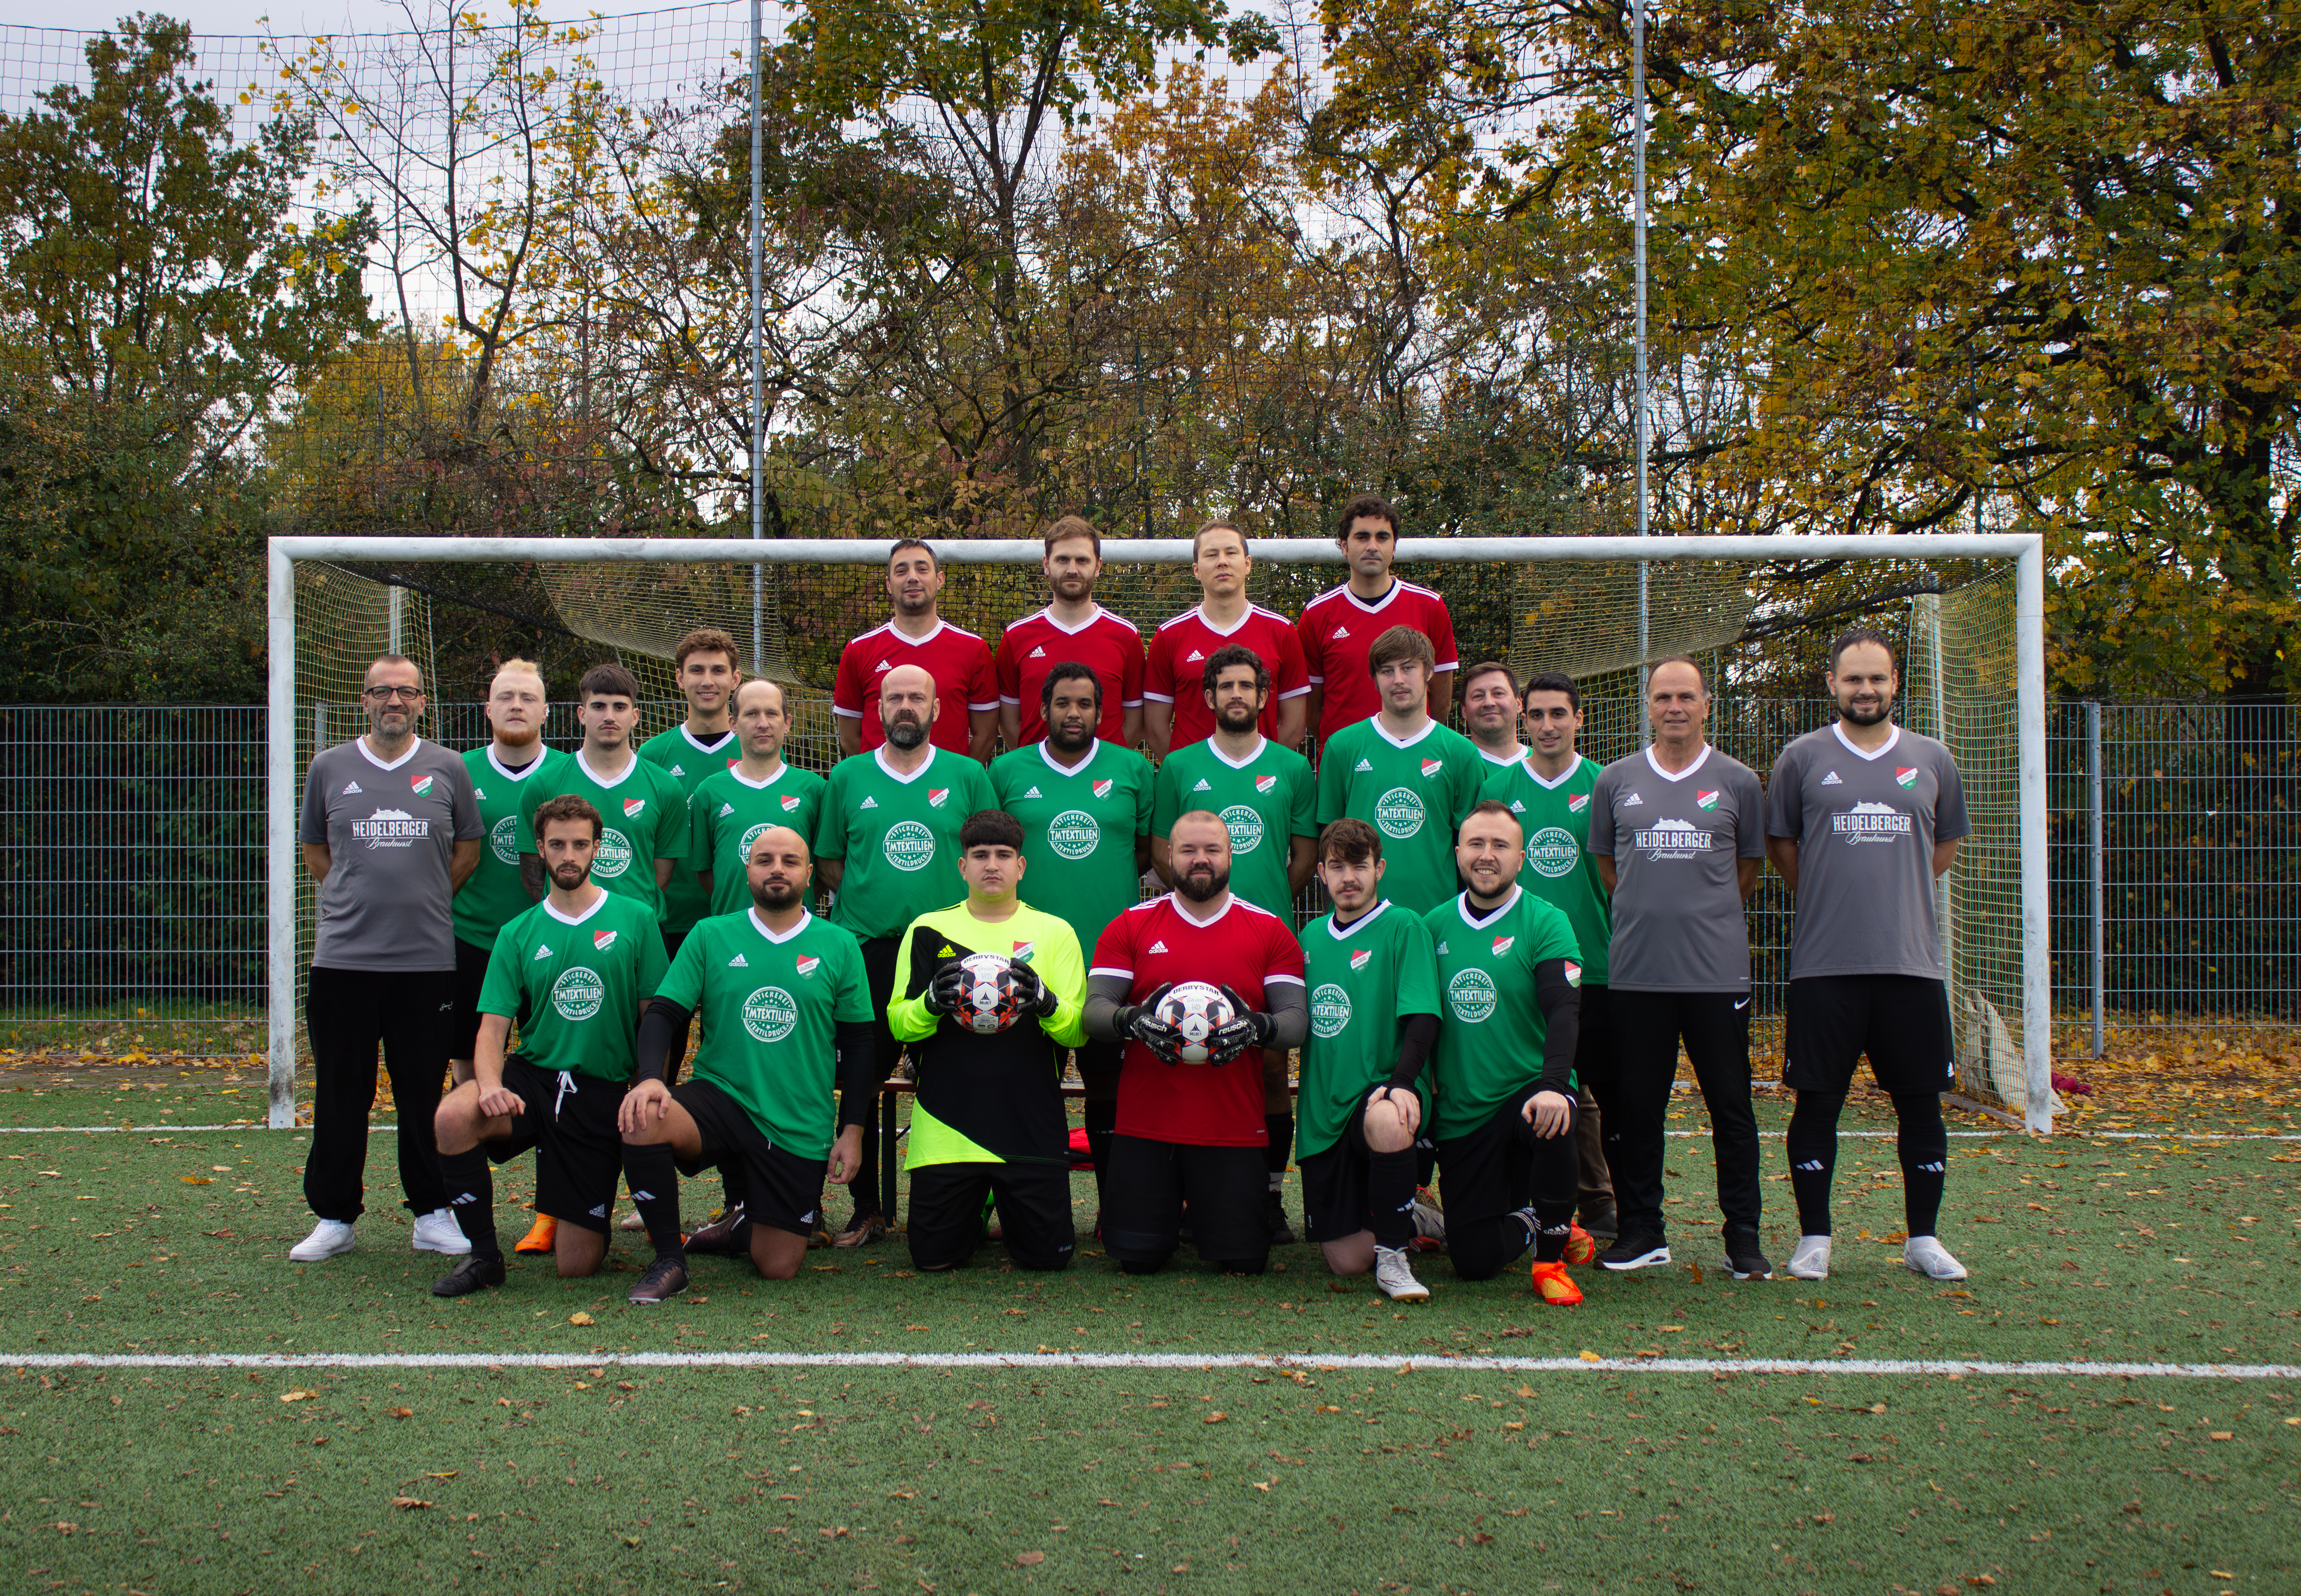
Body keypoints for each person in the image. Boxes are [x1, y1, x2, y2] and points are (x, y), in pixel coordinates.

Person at [1766, 628, 1972, 1283]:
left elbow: (1940, 849)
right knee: (1817, 1102)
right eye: (1853, 679)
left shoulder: (1932, 758)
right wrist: (1838, 892)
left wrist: (1893, 889)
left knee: (1921, 1104)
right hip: (1825, 965)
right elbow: (1785, 850)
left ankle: (1923, 1238)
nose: (1865, 690)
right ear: (1831, 684)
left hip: (1911, 964)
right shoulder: (1800, 758)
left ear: (1894, 683)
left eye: (1877, 678)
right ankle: (1814, 1239)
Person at [616, 826, 876, 1304]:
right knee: (643, 1119)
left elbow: (860, 1044)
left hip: (797, 1117)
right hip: (723, 1096)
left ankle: (741, 1222)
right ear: (747, 869)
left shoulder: (839, 944)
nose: (777, 868)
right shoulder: (711, 934)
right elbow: (663, 1014)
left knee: (777, 1266)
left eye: (790, 860)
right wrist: (651, 1079)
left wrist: (852, 1129)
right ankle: (670, 1260)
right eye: (765, 859)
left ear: (809, 874)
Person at [428, 795, 669, 1296]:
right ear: (539, 847)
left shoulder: (637, 918)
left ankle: (582, 1209)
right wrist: (490, 1084)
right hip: (533, 1081)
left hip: (599, 1090)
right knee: (452, 1115)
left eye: (580, 844)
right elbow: (492, 1029)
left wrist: (646, 1080)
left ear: (597, 848)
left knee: (576, 1265)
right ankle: (484, 1255)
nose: (568, 855)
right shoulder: (517, 932)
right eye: (557, 844)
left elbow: (655, 1018)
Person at [290, 653, 482, 1263]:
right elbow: (317, 851)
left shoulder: (448, 767)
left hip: (425, 965)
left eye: (406, 692)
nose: (393, 701)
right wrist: (358, 902)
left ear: (423, 701)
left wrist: (418, 901)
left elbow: (468, 851)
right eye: (382, 691)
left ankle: (431, 1210)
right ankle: (334, 1215)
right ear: (364, 700)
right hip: (343, 962)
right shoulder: (329, 767)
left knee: (422, 1092)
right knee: (341, 1091)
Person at [1587, 657, 1770, 1280]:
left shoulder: (1739, 781)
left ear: (1706, 704)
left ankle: (1742, 1236)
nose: (1674, 707)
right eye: (1662, 696)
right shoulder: (1615, 781)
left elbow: (1744, 871)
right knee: (1637, 1108)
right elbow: (1611, 869)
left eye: (1685, 697)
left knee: (1731, 1106)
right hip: (1637, 975)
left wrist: (1700, 916)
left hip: (1715, 977)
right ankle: (1643, 1230)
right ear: (1647, 703)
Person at [812, 663, 998, 1245]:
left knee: (964, 1076)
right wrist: (872, 906)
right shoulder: (846, 777)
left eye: (917, 696)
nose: (905, 706)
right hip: (869, 950)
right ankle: (866, 1206)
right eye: (894, 697)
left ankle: (967, 1204)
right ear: (879, 709)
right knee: (862, 1079)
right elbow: (830, 861)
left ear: (937, 708)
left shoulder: (968, 774)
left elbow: (990, 853)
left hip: (949, 951)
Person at [1083, 810, 1308, 1277]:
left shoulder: (1268, 929)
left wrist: (1256, 1027)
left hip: (1231, 1126)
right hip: (1145, 1126)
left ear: (1230, 854)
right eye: (1187, 850)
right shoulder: (1130, 924)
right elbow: (1095, 1011)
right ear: (1169, 856)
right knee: (1137, 1261)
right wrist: (1131, 1020)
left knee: (1244, 1261)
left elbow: (1295, 1021)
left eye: (1211, 849)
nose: (1199, 859)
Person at [1147, 644, 1316, 1238]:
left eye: (1248, 686)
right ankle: (1189, 1195)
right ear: (1209, 696)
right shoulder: (1177, 766)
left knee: (1269, 1069)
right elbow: (1160, 854)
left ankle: (1268, 1196)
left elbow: (1303, 856)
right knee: (1188, 1059)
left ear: (1264, 697)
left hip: (1264, 941)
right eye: (1227, 687)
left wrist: (1252, 907)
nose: (1237, 695)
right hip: (1188, 934)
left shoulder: (1293, 769)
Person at [887, 810, 1090, 1271]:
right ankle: (977, 1205)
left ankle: (1001, 1202)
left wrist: (1044, 1001)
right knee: (933, 1260)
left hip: (1029, 1125)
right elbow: (898, 1023)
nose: (991, 864)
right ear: (962, 867)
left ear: (1021, 866)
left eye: (1003, 855)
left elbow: (1077, 1029)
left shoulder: (1055, 932)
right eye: (979, 855)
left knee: (1046, 1261)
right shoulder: (926, 930)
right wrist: (929, 1003)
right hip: (947, 1128)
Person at [988, 662, 1155, 1217]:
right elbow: (996, 855)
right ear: (1042, 711)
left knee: (1111, 1089)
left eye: (1084, 704)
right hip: (1028, 958)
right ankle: (1029, 1213)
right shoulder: (1006, 771)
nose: (1073, 713)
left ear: (1101, 713)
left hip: (1111, 959)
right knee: (1027, 1090)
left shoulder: (1133, 768)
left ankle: (1117, 1213)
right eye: (1063, 703)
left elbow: (1141, 854)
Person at [678, 675, 829, 1254]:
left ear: (789, 723)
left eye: (772, 713)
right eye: (751, 714)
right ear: (734, 723)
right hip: (731, 960)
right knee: (726, 1073)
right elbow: (708, 874)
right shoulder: (712, 789)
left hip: (798, 958)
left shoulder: (813, 788)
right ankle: (740, 1203)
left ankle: (801, 1205)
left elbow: (825, 865)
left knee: (800, 1075)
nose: (762, 722)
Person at [1424, 801, 1592, 1305]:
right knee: (1473, 1263)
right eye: (1476, 843)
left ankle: (1550, 1259)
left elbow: (1563, 1010)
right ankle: (1535, 1215)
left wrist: (1553, 1085)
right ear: (1458, 853)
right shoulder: (1431, 926)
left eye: (1500, 845)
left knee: (1556, 1110)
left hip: (1526, 1091)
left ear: (1521, 857)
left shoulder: (1546, 920)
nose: (1486, 855)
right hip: (1462, 1112)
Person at [1482, 668, 1618, 1240]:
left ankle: (1611, 1207)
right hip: (1517, 966)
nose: (1545, 725)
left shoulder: (1604, 785)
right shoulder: (1496, 786)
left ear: (1578, 719)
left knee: (1599, 1094)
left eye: (1557, 713)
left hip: (1599, 964)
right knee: (1534, 1083)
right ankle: (1524, 1203)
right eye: (1534, 714)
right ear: (1520, 716)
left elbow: (1618, 878)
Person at [1295, 819, 1441, 1302]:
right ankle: (1412, 1214)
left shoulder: (1404, 925)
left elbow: (1423, 1018)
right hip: (1323, 1113)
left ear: (1379, 868)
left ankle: (1395, 1257)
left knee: (1387, 1118)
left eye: (1359, 865)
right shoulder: (1311, 936)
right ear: (1320, 872)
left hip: (1379, 1088)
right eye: (1337, 866)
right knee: (1347, 1260)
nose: (1349, 877)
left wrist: (1402, 1082)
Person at [449, 658, 568, 1086]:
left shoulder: (570, 773)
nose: (516, 705)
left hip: (550, 940)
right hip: (472, 939)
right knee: (467, 1060)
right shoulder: (456, 770)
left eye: (527, 697)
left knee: (555, 1062)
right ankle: (468, 1153)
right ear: (488, 708)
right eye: (506, 696)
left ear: (545, 711)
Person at [1313, 626, 1484, 916]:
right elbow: (1327, 841)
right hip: (1357, 918)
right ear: (1375, 678)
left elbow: (1471, 848)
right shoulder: (1342, 747)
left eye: (1408, 668)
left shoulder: (1461, 753)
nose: (1399, 680)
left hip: (1436, 920)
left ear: (1429, 672)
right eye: (1387, 671)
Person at [521, 664, 689, 925]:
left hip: (637, 931)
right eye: (599, 707)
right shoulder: (544, 783)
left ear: (634, 716)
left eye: (619, 707)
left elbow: (660, 875)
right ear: (582, 714)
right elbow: (533, 865)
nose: (609, 716)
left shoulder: (666, 787)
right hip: (565, 927)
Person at [1296, 494, 1457, 745]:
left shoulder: (1430, 606)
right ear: (1344, 545)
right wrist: (1343, 748)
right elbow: (1312, 711)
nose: (1372, 546)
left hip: (1415, 757)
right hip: (1346, 763)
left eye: (1382, 537)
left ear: (1394, 547)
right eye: (1362, 537)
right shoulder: (1316, 614)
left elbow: (1441, 701)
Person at [1142, 520, 1309, 758]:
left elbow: (1294, 728)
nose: (1222, 561)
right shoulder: (1169, 636)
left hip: (1262, 784)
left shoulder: (1282, 631)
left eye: (1231, 552)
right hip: (1193, 784)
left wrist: (1264, 766)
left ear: (1247, 564)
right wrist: (1184, 772)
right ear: (1197, 570)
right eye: (1211, 555)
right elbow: (1156, 730)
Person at [832, 539, 998, 759]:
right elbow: (850, 738)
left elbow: (986, 735)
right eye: (901, 571)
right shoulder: (858, 651)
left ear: (939, 580)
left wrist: (957, 777)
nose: (912, 577)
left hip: (947, 790)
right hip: (881, 790)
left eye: (922, 569)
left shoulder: (974, 649)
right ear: (889, 585)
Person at [994, 515, 1145, 749]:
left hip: (1105, 779)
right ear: (1046, 564)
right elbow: (1009, 722)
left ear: (1098, 567)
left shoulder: (1126, 636)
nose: (1072, 569)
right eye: (1063, 560)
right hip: (1037, 780)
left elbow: (1134, 724)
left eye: (1082, 560)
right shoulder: (1016, 637)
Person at [639, 627, 744, 956]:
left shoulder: (757, 749)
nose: (707, 681)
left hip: (736, 916)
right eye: (697, 670)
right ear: (680, 679)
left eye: (718, 670)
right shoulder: (653, 754)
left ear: (736, 678)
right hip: (669, 917)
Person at [1458, 659, 1526, 773]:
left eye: (1498, 693)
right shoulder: (1455, 770)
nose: (1489, 703)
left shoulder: (1547, 766)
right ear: (1464, 710)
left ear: (1518, 704)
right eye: (1478, 696)